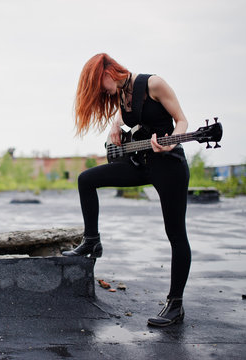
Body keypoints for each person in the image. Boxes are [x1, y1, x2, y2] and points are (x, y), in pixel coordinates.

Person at [62, 53, 191, 327]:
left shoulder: (154, 84)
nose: (103, 92)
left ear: (109, 71)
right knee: (86, 180)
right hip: (140, 163)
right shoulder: (122, 94)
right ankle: (92, 241)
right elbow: (124, 114)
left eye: (101, 85)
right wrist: (114, 125)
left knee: (176, 234)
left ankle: (175, 304)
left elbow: (182, 120)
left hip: (169, 165)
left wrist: (170, 142)